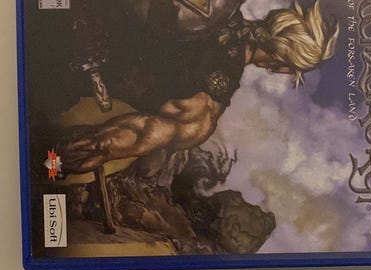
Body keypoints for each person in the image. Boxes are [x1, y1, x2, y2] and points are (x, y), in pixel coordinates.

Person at [57, 0, 339, 173]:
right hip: (74, 68)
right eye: (291, 70)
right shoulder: (210, 103)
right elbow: (147, 132)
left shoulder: (222, 8)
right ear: (281, 64)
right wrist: (99, 146)